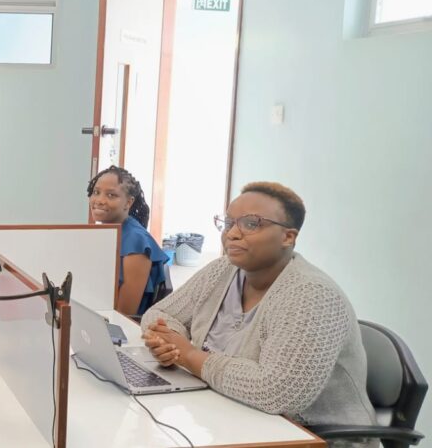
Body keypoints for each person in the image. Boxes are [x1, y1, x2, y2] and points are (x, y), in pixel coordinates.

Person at [141, 182, 376, 447]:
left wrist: (190, 356)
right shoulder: (223, 270)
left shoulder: (312, 295)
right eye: (229, 223)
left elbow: (278, 393)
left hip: (307, 436)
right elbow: (160, 312)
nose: (232, 234)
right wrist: (169, 345)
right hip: (229, 417)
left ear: (288, 237)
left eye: (251, 224)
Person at [87, 166, 168, 315]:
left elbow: (124, 313)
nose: (99, 200)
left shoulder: (136, 242)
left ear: (128, 203)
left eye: (111, 195)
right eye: (96, 192)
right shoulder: (107, 233)